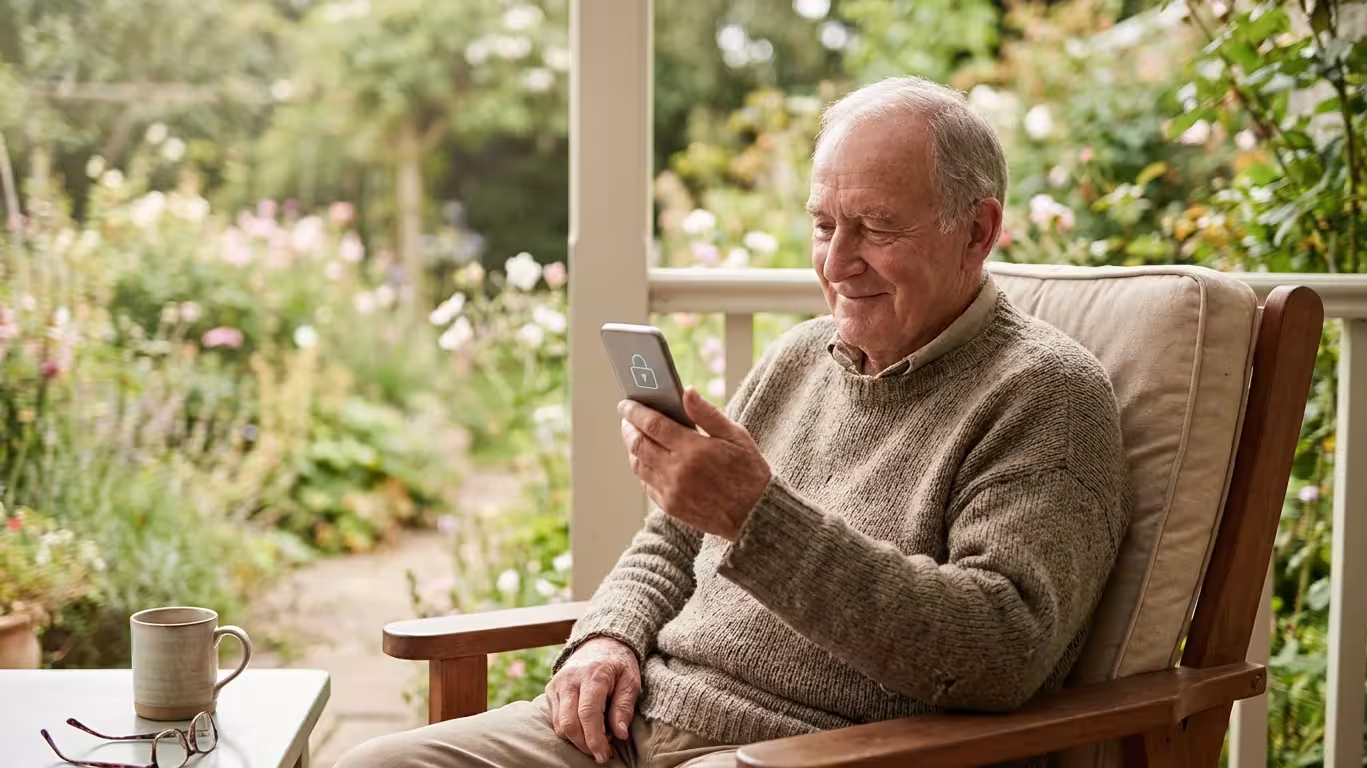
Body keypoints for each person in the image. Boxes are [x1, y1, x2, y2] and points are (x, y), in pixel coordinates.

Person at [336, 75, 1131, 768]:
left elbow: (997, 650)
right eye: (824, 225)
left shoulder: (1046, 397)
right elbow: (671, 540)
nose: (836, 261)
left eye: (877, 228)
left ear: (979, 231)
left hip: (814, 754)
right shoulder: (798, 357)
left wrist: (757, 517)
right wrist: (609, 635)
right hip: (636, 726)